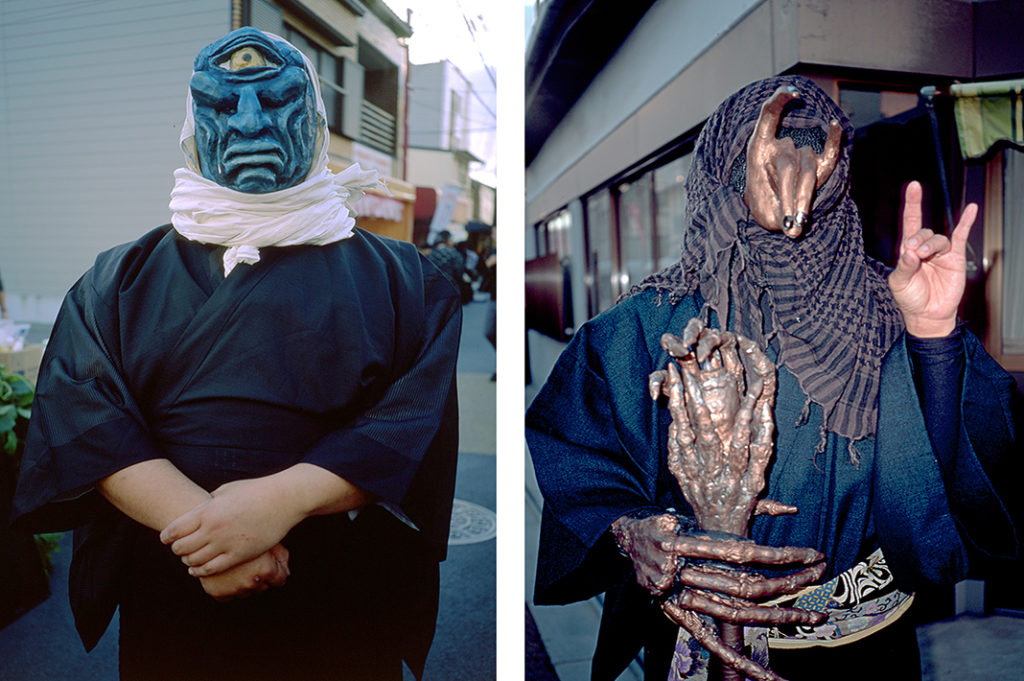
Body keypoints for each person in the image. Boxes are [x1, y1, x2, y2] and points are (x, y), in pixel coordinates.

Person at [526, 75, 1019, 681]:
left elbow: (957, 482)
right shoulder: (645, 324)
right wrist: (628, 530)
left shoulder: (891, 306)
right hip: (701, 638)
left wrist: (935, 338)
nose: (794, 183)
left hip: (862, 647)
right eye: (764, 156)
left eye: (815, 155)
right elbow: (577, 455)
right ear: (720, 168)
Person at [12, 28, 461, 681]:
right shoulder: (117, 278)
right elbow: (85, 415)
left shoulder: (406, 281)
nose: (250, 123)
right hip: (174, 579)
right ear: (192, 127)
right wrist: (212, 533)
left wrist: (277, 502)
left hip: (333, 593)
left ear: (316, 120)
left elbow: (410, 421)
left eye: (277, 102)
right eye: (223, 106)